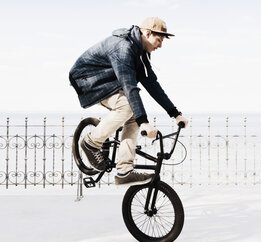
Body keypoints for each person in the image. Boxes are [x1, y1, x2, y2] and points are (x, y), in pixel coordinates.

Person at [69, 17, 188, 186]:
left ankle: (124, 171)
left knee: (132, 113)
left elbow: (151, 84)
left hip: (108, 79)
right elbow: (129, 86)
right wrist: (144, 122)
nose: (160, 45)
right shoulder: (123, 49)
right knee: (127, 107)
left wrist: (175, 113)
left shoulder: (140, 52)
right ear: (147, 33)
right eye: (159, 40)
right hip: (87, 80)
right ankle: (90, 142)